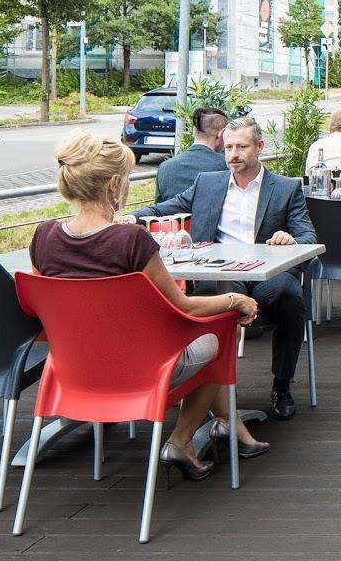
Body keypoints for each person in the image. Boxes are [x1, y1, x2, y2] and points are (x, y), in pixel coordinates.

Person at [29, 132, 268, 482]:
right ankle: (181, 440)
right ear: (114, 184)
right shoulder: (131, 240)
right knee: (219, 337)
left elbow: (42, 307)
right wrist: (236, 300)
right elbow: (184, 306)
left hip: (71, 370)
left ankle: (231, 426)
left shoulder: (43, 236)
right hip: (140, 370)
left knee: (206, 336)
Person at [125, 116, 316, 421]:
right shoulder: (207, 183)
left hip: (267, 278)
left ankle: (282, 385)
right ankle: (208, 393)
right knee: (204, 297)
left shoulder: (285, 187)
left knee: (290, 295)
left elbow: (308, 236)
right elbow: (166, 207)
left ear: (259, 147)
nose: (233, 154)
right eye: (228, 147)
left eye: (241, 147)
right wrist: (132, 218)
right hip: (221, 275)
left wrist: (290, 238)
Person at [154, 106, 228, 203]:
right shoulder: (228, 166)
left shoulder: (164, 168)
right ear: (221, 134)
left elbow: (158, 208)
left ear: (193, 132)